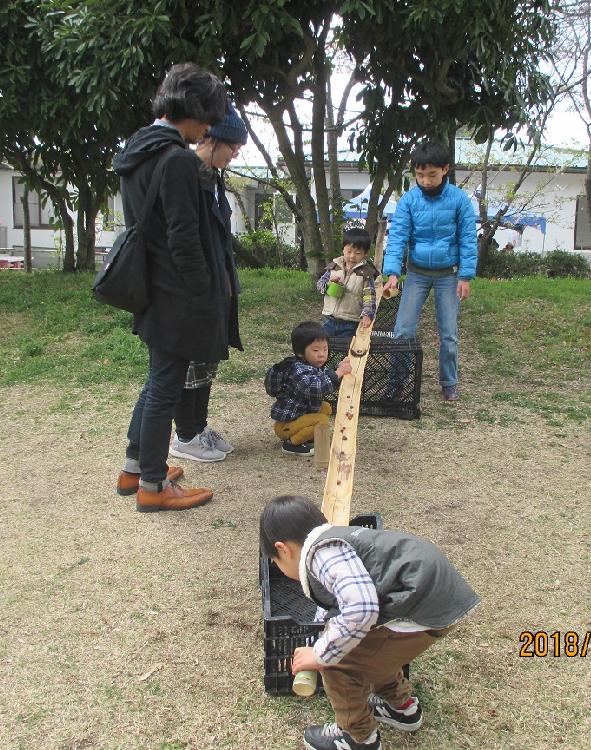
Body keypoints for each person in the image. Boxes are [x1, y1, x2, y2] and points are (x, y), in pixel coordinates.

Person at [259, 495, 480, 750]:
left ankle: (358, 737)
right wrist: (319, 638)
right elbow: (335, 607)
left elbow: (361, 608)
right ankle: (401, 708)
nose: (279, 567)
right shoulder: (333, 540)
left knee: (340, 663)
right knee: (370, 649)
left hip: (421, 603)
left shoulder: (322, 556)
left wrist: (320, 655)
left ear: (283, 549)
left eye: (276, 562)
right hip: (433, 594)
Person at [112, 62, 228, 512]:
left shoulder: (138, 148)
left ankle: (135, 468)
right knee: (166, 388)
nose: (208, 128)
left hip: (150, 283)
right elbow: (184, 237)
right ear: (194, 109)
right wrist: (203, 291)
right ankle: (154, 485)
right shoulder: (177, 159)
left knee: (157, 382)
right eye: (208, 117)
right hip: (177, 291)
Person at [168, 102, 247, 464]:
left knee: (208, 361)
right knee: (189, 366)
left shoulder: (213, 178)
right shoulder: (186, 173)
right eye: (233, 145)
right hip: (192, 291)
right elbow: (183, 239)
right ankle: (185, 435)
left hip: (217, 285)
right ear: (211, 138)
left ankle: (199, 428)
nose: (236, 153)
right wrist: (200, 286)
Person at [381, 140, 477, 402]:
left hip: (449, 274)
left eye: (432, 174)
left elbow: (468, 239)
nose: (425, 180)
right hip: (417, 273)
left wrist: (465, 276)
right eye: (420, 174)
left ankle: (449, 382)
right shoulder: (409, 200)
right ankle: (397, 382)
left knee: (448, 333)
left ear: (445, 169)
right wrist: (392, 272)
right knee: (403, 330)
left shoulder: (459, 200)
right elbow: (397, 237)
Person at [265, 322, 351, 456]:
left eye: (325, 349)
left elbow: (323, 376)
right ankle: (292, 444)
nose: (322, 354)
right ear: (300, 353)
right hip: (286, 425)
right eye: (316, 350)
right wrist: (338, 373)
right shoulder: (298, 370)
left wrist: (338, 368)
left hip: (298, 416)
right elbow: (315, 388)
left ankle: (306, 435)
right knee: (322, 421)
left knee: (325, 408)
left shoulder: (309, 365)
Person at [316, 226, 379, 338]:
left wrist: (367, 314)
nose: (352, 256)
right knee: (326, 345)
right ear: (343, 249)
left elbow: (369, 297)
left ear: (365, 254)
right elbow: (320, 285)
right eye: (349, 251)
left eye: (358, 253)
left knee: (345, 347)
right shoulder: (334, 266)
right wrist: (328, 284)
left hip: (351, 322)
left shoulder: (366, 273)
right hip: (329, 318)